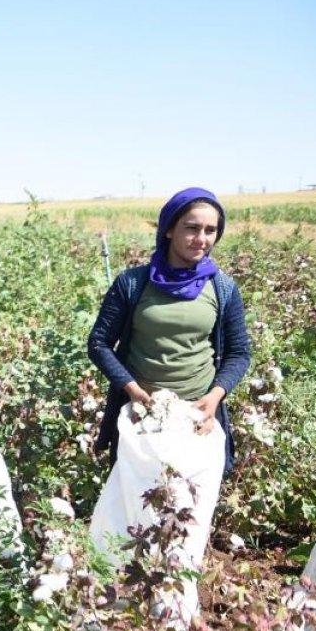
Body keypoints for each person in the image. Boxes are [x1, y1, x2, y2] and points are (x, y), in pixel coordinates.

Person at [87, 187, 251, 473]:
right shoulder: (133, 284)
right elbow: (99, 343)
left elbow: (239, 353)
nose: (201, 239)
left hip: (197, 418)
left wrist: (214, 398)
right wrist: (133, 390)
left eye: (210, 230)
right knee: (138, 507)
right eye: (191, 228)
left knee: (189, 506)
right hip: (142, 416)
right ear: (168, 230)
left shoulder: (222, 289)